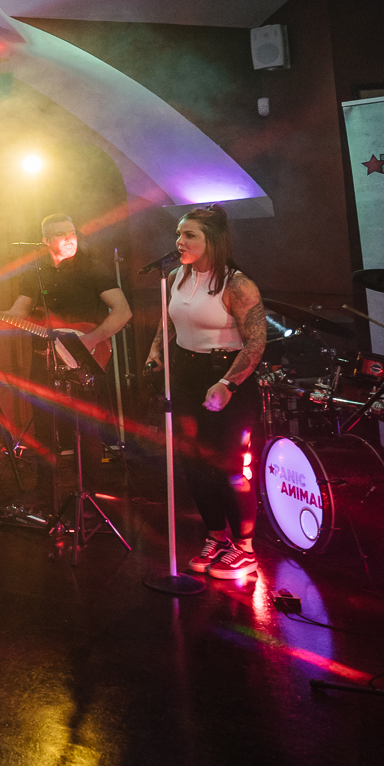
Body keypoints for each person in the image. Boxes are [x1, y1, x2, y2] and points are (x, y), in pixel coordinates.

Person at [143, 205, 267, 580]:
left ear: (212, 240)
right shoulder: (177, 276)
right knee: (193, 464)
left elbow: (256, 342)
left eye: (189, 235)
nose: (179, 242)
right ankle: (216, 536)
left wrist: (228, 383)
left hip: (226, 377)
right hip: (187, 374)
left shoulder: (237, 284)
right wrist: (156, 350)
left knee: (227, 466)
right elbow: (170, 319)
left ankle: (244, 548)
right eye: (179, 234)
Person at [9, 212, 131, 443]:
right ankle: (45, 479)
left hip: (84, 357)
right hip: (45, 357)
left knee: (87, 427)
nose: (69, 238)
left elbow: (123, 311)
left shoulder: (91, 267)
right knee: (43, 422)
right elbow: (18, 313)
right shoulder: (34, 271)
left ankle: (92, 479)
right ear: (45, 241)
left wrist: (92, 339)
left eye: (72, 233)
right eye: (60, 234)